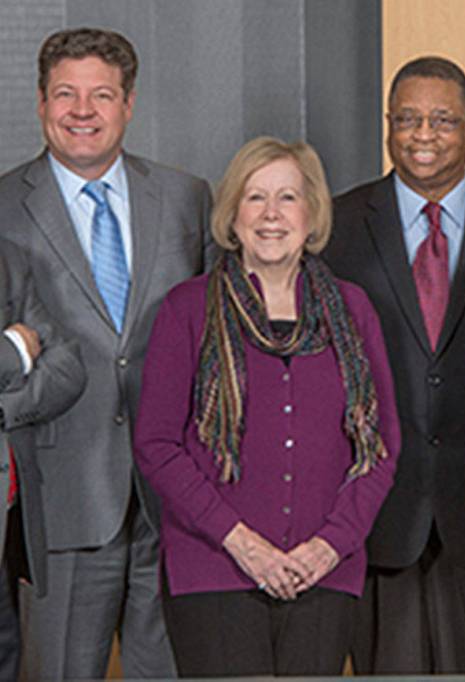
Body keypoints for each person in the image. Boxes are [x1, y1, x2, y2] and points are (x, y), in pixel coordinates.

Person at [134, 136, 400, 677]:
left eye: (288, 197)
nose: (271, 214)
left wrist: (329, 547)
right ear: (233, 217)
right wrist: (244, 546)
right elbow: (157, 446)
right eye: (255, 197)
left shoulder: (353, 310)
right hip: (214, 572)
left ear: (312, 213)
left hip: (323, 574)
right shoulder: (188, 308)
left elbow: (382, 447)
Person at [324, 56, 465, 674]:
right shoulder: (332, 228)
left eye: (443, 120)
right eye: (407, 119)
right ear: (387, 125)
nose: (423, 134)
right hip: (376, 518)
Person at [0, 27, 213, 680]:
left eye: (101, 95)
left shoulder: (186, 199)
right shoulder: (3, 208)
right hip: (58, 496)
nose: (82, 111)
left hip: (173, 500)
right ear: (41, 102)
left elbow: (213, 345)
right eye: (66, 94)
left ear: (129, 103)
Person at [0, 242, 85, 680]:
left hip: (7, 526)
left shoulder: (7, 258)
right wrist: (14, 349)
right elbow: (25, 350)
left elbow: (67, 366)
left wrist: (4, 409)